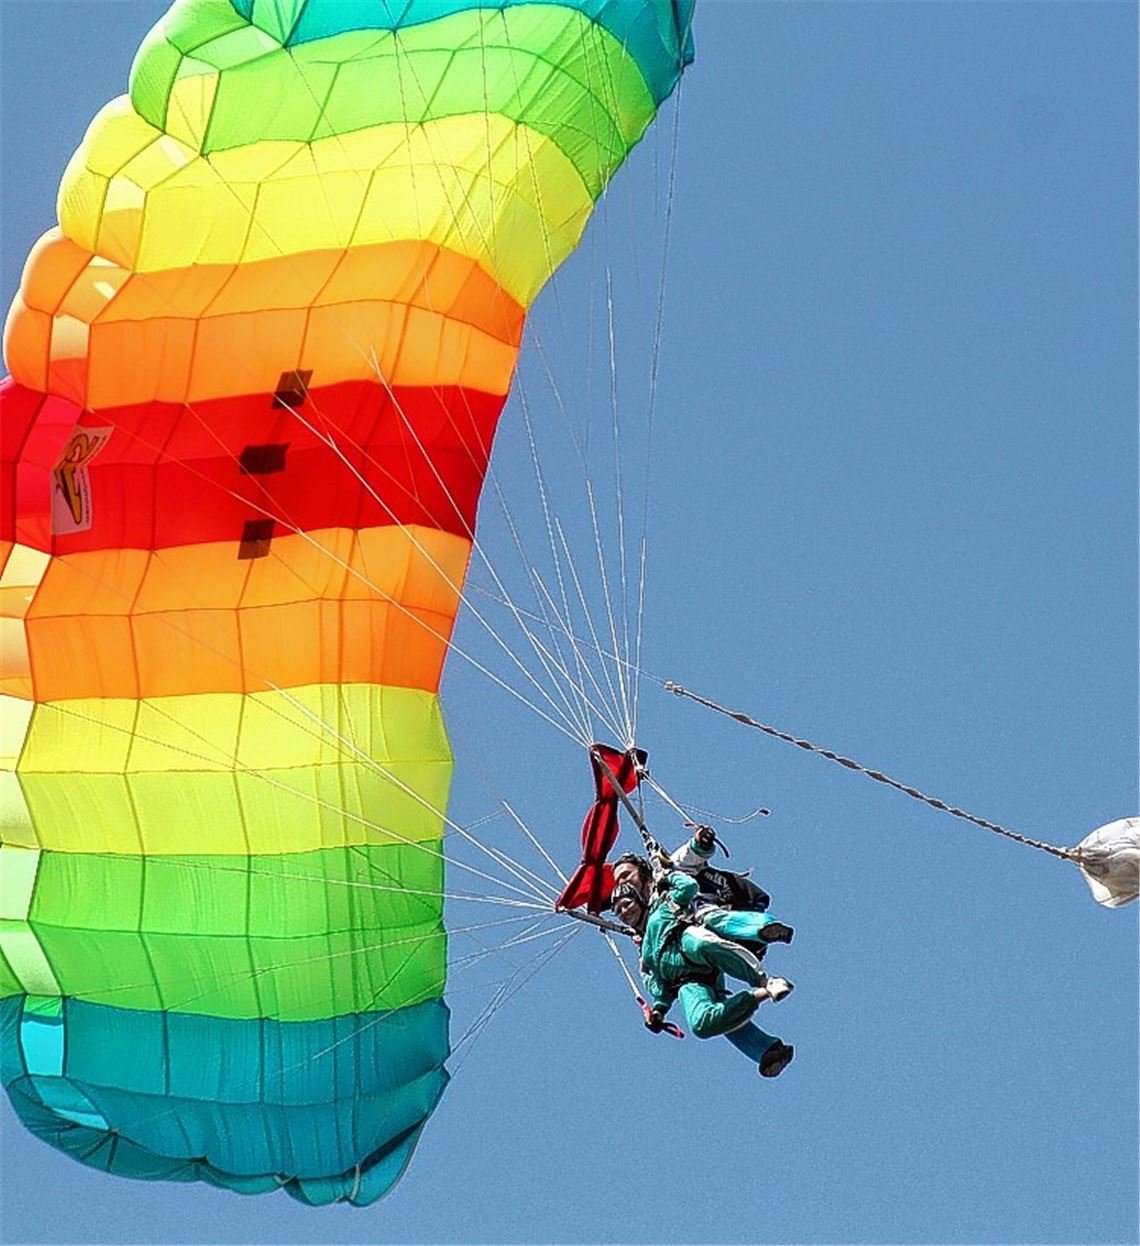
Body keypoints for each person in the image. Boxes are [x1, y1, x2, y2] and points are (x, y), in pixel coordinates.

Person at [610, 861, 795, 1077]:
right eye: (618, 911)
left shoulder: (663, 905)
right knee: (701, 1024)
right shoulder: (645, 952)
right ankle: (768, 1047)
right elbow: (661, 987)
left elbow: (689, 887)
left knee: (702, 943)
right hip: (689, 982)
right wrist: (659, 1010)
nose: (624, 912)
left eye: (626, 904)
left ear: (640, 901)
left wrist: (667, 877)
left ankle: (764, 980)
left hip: (685, 940)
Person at [668, 826, 793, 949]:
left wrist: (701, 842)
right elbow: (678, 864)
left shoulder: (720, 879)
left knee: (719, 921)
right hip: (700, 920)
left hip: (733, 919)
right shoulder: (675, 884)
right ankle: (757, 934)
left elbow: (758, 897)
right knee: (712, 919)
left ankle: (763, 930)